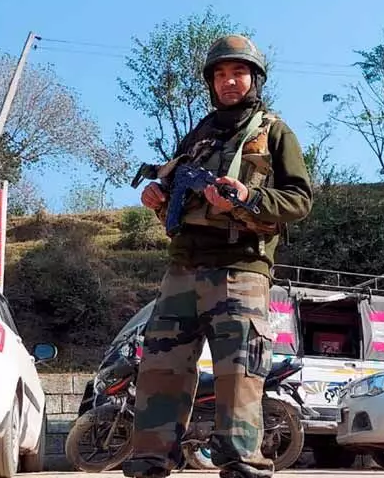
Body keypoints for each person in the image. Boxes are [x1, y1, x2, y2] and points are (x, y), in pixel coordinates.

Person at [123, 34, 313, 478]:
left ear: (255, 78)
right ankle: (150, 462)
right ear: (211, 82)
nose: (229, 81)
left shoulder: (274, 131)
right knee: (160, 370)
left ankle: (243, 464)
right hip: (183, 269)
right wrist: (157, 196)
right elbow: (177, 198)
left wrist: (248, 198)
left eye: (238, 72)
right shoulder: (199, 135)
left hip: (241, 268)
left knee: (239, 375)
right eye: (221, 74)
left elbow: (299, 201)